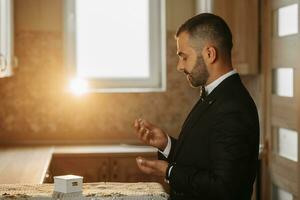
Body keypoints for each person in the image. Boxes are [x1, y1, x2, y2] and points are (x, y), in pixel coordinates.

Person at [133, 13, 259, 200]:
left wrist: (169, 172)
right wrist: (166, 144)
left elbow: (225, 188)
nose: (179, 66)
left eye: (184, 57)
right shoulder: (215, 95)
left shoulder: (233, 107)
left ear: (209, 54)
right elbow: (203, 160)